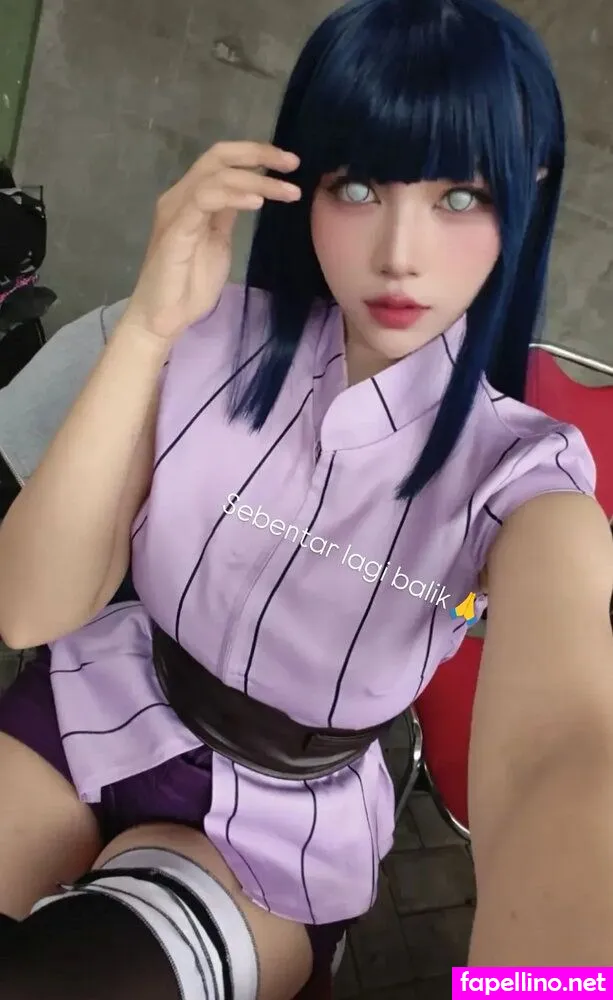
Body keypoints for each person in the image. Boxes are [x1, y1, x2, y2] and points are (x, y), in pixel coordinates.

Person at [0, 0, 613, 995]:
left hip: (283, 824)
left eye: (460, 196)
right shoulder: (202, 333)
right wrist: (149, 325)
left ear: (528, 191)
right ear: (300, 182)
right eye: (358, 186)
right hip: (92, 705)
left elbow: (559, 758)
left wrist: (535, 987)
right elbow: (26, 611)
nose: (399, 252)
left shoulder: (523, 476)